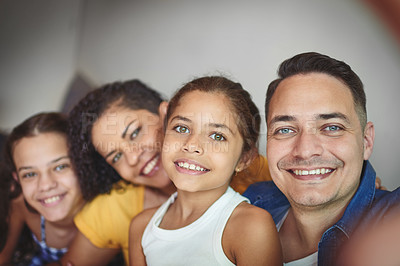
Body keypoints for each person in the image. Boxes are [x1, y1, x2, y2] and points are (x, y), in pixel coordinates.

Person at [60, 79, 272, 265]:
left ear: (164, 116)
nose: (133, 158)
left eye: (135, 133)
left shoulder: (252, 185)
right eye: (116, 157)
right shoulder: (135, 222)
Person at [243, 52, 400, 266]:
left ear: (366, 141)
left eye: (332, 127)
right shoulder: (250, 200)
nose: (306, 151)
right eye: (285, 129)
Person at [129, 76, 282, 266]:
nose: (192, 145)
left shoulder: (250, 226)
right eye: (181, 128)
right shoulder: (142, 227)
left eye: (217, 136)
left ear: (244, 159)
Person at [0, 112, 85, 265]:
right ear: (17, 179)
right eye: (30, 174)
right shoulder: (20, 205)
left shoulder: (104, 210)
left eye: (60, 167)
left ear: (83, 165)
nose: (45, 185)